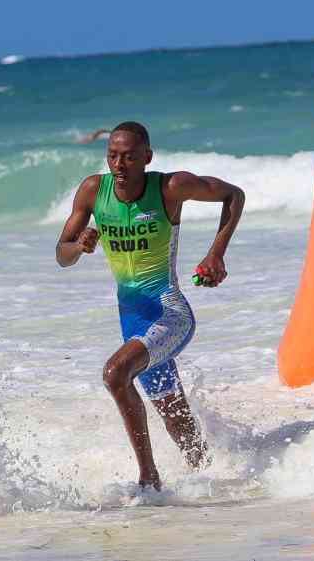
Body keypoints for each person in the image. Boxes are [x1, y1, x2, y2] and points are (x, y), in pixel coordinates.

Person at [55, 122, 245, 491]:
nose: (119, 165)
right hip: (132, 321)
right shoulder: (94, 191)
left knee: (115, 374)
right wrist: (79, 245)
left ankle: (149, 480)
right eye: (112, 156)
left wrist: (215, 254)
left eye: (128, 157)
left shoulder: (170, 188)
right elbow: (62, 255)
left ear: (147, 158)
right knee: (177, 421)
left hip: (169, 314)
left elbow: (233, 195)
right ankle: (217, 485)